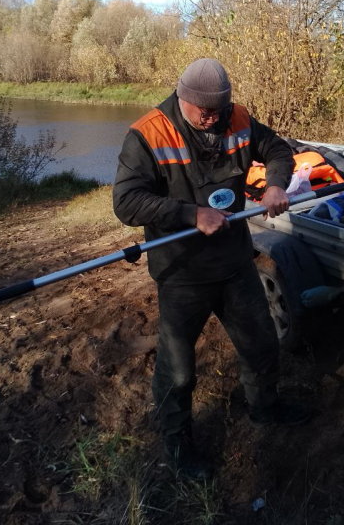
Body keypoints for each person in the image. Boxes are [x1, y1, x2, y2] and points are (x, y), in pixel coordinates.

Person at [113, 58, 311, 479]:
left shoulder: (236, 118)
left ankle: (264, 408)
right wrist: (189, 214)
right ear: (182, 98)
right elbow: (126, 202)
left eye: (220, 110)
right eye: (205, 112)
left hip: (236, 263)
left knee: (261, 345)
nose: (214, 119)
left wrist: (276, 181)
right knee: (179, 370)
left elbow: (276, 148)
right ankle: (178, 445)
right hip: (182, 272)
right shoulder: (147, 134)